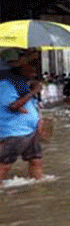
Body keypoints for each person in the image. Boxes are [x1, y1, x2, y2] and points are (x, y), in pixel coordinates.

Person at [0, 49, 44, 183]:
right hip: (15, 131)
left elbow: (30, 106)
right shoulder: (5, 84)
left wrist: (38, 120)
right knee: (4, 166)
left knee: (36, 160)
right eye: (31, 66)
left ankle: (38, 188)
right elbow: (13, 106)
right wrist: (34, 91)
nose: (34, 71)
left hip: (30, 130)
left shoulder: (22, 84)